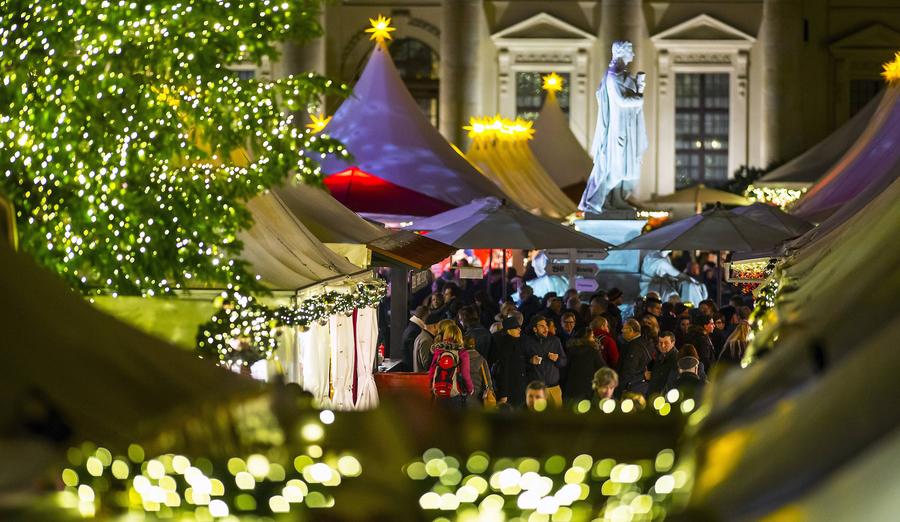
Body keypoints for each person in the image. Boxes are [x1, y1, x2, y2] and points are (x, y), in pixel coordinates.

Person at [580, 40, 648, 213]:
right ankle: (596, 201)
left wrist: (639, 87)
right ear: (622, 53)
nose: (633, 55)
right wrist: (639, 97)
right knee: (617, 168)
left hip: (627, 127)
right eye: (630, 51)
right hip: (618, 129)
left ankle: (617, 199)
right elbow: (621, 100)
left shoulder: (620, 74)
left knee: (625, 168)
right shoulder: (613, 76)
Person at [521, 315, 568, 407]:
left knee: (557, 418)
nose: (546, 328)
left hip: (553, 388)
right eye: (542, 326)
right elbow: (520, 364)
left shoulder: (555, 341)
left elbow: (564, 362)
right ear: (535, 329)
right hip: (536, 390)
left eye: (546, 325)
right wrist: (530, 361)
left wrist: (557, 359)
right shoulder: (527, 342)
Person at [428, 324, 473, 408]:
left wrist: (431, 387)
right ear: (459, 336)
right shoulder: (462, 353)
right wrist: (470, 389)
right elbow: (465, 374)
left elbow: (432, 371)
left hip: (438, 392)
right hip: (454, 393)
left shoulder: (439, 351)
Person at [562, 327, 607, 402]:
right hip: (587, 391)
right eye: (592, 336)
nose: (594, 338)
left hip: (570, 391)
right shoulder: (593, 352)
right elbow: (603, 369)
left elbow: (564, 371)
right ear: (587, 337)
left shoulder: (570, 350)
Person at [493, 317, 528, 408]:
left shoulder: (516, 343)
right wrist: (504, 394)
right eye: (516, 328)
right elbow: (503, 370)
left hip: (518, 389)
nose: (519, 329)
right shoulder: (506, 346)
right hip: (511, 392)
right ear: (508, 331)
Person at [618, 319, 653, 394]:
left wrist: (621, 388)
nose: (622, 331)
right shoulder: (644, 342)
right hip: (641, 386)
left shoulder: (633, 347)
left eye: (624, 328)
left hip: (632, 387)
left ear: (631, 330)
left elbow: (629, 369)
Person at [646, 331, 679, 397]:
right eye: (660, 342)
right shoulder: (660, 356)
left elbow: (672, 382)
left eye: (666, 343)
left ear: (673, 343)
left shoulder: (677, 359)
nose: (663, 345)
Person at [465, 336, 495, 408]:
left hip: (463, 397)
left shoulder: (460, 360)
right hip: (478, 398)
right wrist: (490, 391)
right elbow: (488, 380)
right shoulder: (481, 359)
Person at [401, 305, 428, 372]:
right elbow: (413, 352)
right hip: (411, 369)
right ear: (424, 316)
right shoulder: (415, 330)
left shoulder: (412, 327)